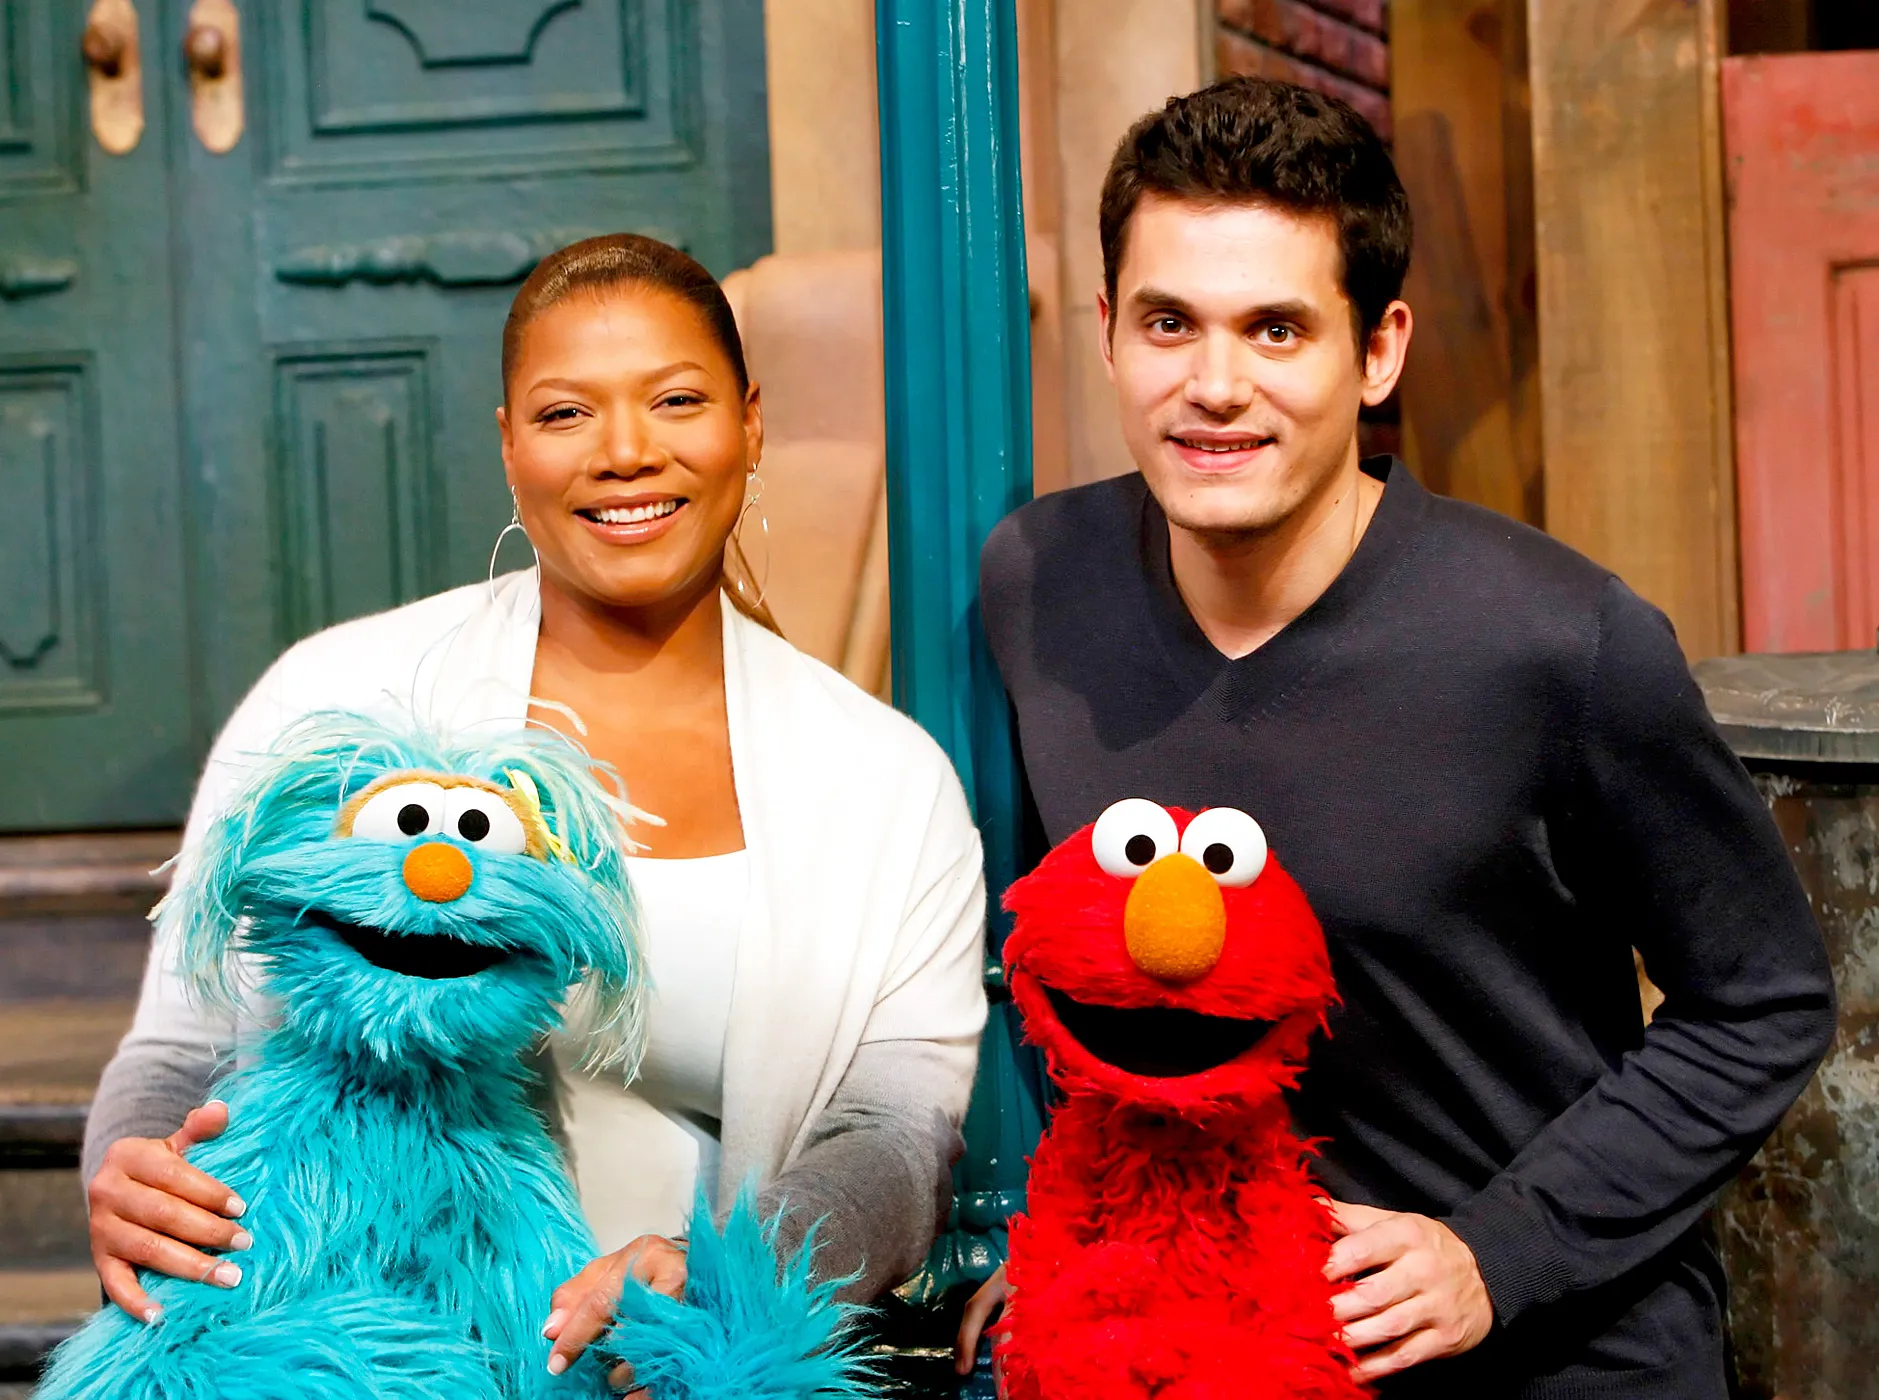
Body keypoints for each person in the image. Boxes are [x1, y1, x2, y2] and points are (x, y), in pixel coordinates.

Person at [956, 77, 1835, 1397]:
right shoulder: (1039, 581)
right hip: (1223, 1355)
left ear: (1376, 352)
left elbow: (1761, 999)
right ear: (1107, 333)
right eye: (1167, 323)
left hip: (1553, 1353)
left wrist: (1498, 1249)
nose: (1212, 386)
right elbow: (1062, 972)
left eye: (1275, 329)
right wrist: (1078, 1239)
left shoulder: (1558, 641)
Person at [82, 234, 988, 1388]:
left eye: (676, 400)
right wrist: (137, 1166)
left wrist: (723, 1280)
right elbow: (177, 1043)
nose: (625, 451)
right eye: (566, 414)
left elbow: (896, 1133)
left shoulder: (887, 780)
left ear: (751, 423)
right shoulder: (335, 700)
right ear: (508, 444)